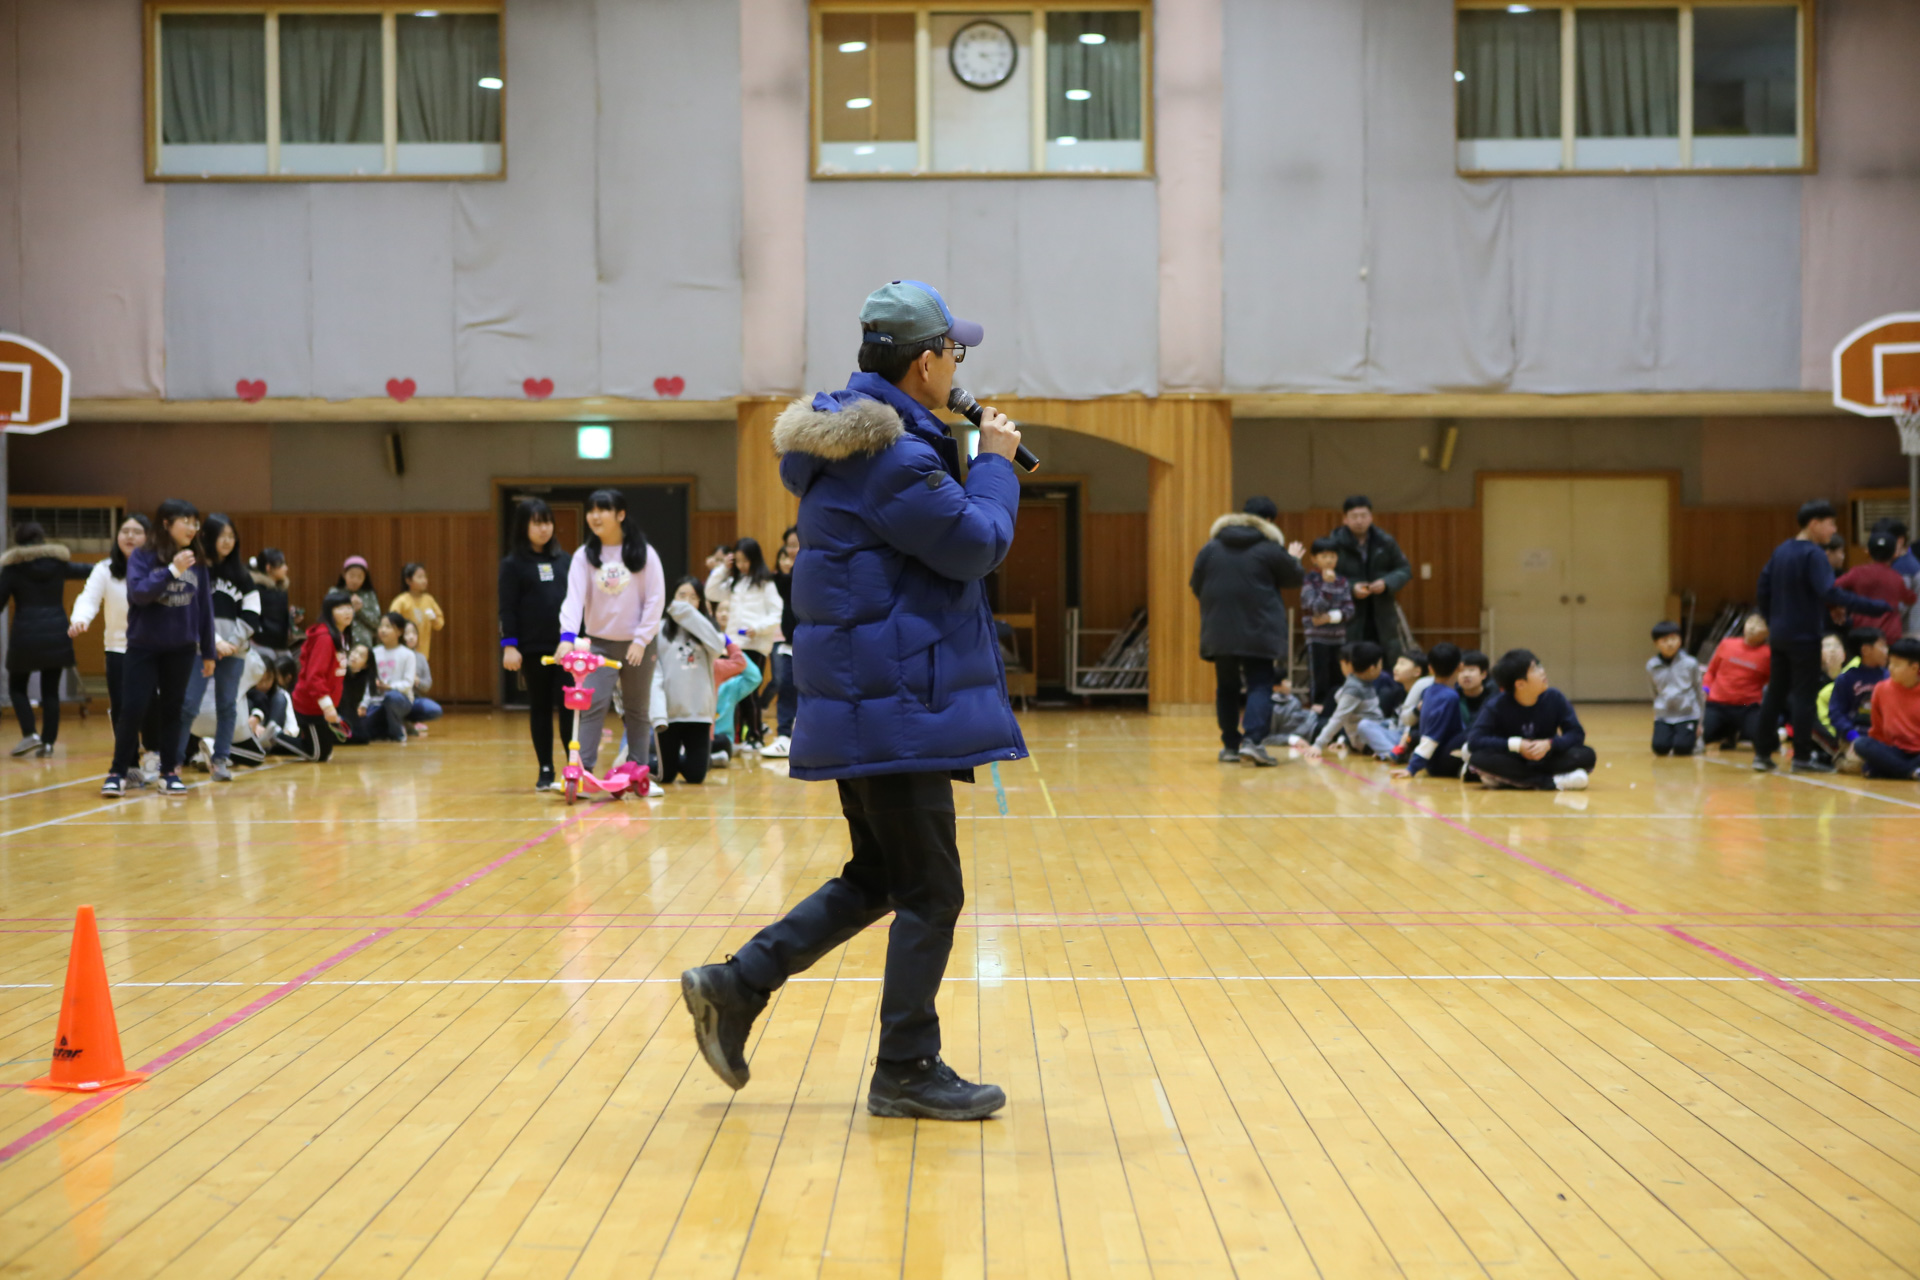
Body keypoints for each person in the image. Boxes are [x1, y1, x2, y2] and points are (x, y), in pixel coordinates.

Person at [680, 278, 1021, 1122]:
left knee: (881, 877)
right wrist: (993, 465)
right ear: (924, 364)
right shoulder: (895, 459)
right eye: (954, 350)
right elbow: (976, 545)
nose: (960, 364)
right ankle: (905, 1067)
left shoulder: (863, 449)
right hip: (896, 706)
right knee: (932, 892)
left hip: (875, 701)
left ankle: (737, 984)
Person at [1753, 500, 1891, 774]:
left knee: (1775, 693)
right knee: (1805, 696)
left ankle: (1762, 754)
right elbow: (1829, 591)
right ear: (1814, 524)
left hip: (1780, 635)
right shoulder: (1814, 554)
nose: (1834, 529)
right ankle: (1802, 758)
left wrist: (1772, 620)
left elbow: (1762, 587)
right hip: (1804, 636)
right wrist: (1874, 606)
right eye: (1830, 524)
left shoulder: (1781, 550)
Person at [102, 500, 217, 797]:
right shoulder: (142, 557)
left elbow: (205, 608)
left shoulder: (198, 562)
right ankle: (117, 772)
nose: (192, 528)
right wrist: (171, 570)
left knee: (172, 710)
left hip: (181, 649)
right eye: (185, 521)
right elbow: (139, 594)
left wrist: (208, 651)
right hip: (143, 647)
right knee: (133, 708)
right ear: (166, 524)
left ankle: (169, 772)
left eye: (195, 522)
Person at [557, 488, 665, 783]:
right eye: (591, 510)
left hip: (638, 645)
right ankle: (583, 771)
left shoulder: (644, 553)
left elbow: (655, 599)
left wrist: (641, 640)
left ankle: (638, 771)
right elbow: (573, 599)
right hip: (599, 645)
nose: (595, 516)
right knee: (591, 705)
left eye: (602, 509)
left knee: (637, 709)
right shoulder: (584, 556)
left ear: (620, 515)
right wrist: (567, 638)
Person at [1190, 495, 1306, 767]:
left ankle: (1230, 746)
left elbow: (1196, 585)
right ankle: (1253, 742)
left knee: (1226, 687)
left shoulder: (1211, 548)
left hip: (1219, 631)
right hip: (1259, 630)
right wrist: (1292, 559)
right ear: (1268, 521)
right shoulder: (1269, 548)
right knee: (1260, 683)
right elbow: (1294, 578)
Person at [70, 513, 165, 782]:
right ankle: (130, 762)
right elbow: (88, 598)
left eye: (137, 531)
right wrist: (80, 619)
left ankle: (154, 754)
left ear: (149, 537)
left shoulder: (160, 568)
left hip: (154, 648)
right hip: (118, 649)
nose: (130, 536)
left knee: (152, 704)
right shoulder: (105, 569)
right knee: (123, 708)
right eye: (125, 531)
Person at [178, 514, 260, 781]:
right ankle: (174, 762)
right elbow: (191, 611)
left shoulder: (243, 576)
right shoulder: (195, 571)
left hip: (234, 651)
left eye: (231, 536)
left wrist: (233, 642)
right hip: (200, 649)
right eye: (222, 536)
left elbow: (252, 613)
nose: (227, 541)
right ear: (208, 537)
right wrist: (213, 642)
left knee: (227, 706)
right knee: (189, 705)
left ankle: (221, 759)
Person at [2, 522, 93, 757]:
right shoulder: (57, 565)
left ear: (18, 541)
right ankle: (48, 743)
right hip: (56, 634)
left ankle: (30, 734)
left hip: (25, 635)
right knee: (50, 691)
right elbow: (90, 570)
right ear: (42, 539)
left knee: (16, 688)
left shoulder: (13, 568)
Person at [499, 498, 571, 789]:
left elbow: (577, 603)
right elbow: (507, 608)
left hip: (567, 647)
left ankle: (574, 767)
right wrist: (510, 645)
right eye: (537, 523)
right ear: (523, 526)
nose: (544, 528)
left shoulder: (566, 561)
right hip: (533, 647)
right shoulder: (512, 565)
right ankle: (545, 769)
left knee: (570, 707)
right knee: (540, 706)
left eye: (548, 522)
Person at [704, 536, 783, 750]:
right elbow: (710, 591)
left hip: (755, 644)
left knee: (750, 692)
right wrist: (723, 568)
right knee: (733, 692)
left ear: (754, 559)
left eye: (745, 561)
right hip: (735, 645)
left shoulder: (766, 583)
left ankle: (755, 737)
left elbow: (776, 612)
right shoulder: (734, 583)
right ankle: (737, 738)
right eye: (737, 561)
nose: (741, 565)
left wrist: (757, 628)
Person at [656, 578, 728, 783]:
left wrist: (688, 614)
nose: (687, 602)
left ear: (701, 602)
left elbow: (718, 647)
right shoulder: (660, 629)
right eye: (682, 596)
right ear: (672, 599)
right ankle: (643, 761)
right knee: (666, 776)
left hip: (699, 714)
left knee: (696, 776)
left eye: (693, 597)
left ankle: (704, 758)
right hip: (670, 714)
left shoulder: (708, 630)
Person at [1329, 496, 1413, 664]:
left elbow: (1404, 569)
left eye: (1363, 515)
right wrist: (1351, 588)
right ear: (1345, 519)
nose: (1359, 520)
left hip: (1382, 613)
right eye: (1354, 516)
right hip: (1348, 615)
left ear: (1371, 517)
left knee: (1385, 661)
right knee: (1351, 661)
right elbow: (1326, 576)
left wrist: (1386, 583)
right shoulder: (1334, 544)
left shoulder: (1385, 541)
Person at [1303, 641, 1400, 759]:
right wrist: (1318, 744)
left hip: (1378, 730)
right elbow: (1338, 718)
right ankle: (1390, 752)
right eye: (1380, 665)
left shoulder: (1364, 682)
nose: (1381, 668)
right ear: (1372, 668)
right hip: (1369, 740)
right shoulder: (1354, 689)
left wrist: (1343, 740)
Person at [291, 590, 355, 762]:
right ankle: (276, 737)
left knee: (324, 753)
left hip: (321, 705)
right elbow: (314, 676)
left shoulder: (340, 636)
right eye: (340, 608)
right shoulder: (325, 638)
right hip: (310, 705)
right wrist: (327, 707)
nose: (347, 612)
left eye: (349, 607)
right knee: (317, 754)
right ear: (329, 612)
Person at [1393, 642, 1468, 780]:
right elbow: (1433, 735)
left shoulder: (1427, 691)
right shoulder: (1449, 696)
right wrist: (1412, 768)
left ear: (1430, 668)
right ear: (1460, 667)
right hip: (1440, 763)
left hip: (1434, 759)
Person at [1819, 627, 1888, 770]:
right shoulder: (1846, 679)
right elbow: (1836, 713)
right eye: (1882, 646)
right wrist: (1853, 737)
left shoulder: (1889, 677)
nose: (1886, 651)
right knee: (1855, 765)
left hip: (1885, 737)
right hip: (1856, 736)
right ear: (1866, 650)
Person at [1299, 536, 1353, 712]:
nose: (1329, 560)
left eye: (1332, 556)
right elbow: (1315, 609)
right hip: (1317, 638)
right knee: (1319, 678)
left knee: (1339, 677)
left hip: (1338, 638)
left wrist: (1330, 618)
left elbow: (1349, 610)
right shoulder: (1309, 580)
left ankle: (1336, 711)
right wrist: (1328, 586)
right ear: (1314, 559)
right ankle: (1319, 712)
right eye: (1324, 556)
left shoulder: (1342, 580)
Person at [762, 526, 802, 759]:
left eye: (796, 544)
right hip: (788, 642)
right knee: (785, 685)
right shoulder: (781, 578)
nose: (792, 550)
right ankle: (784, 737)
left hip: (814, 642)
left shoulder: (817, 569)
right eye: (789, 545)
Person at [1703, 614, 1771, 749]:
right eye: (1751, 625)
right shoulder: (1726, 644)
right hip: (1718, 703)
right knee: (1707, 735)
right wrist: (1705, 689)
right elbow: (1711, 671)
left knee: (1761, 739)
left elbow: (1770, 681)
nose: (1752, 630)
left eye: (1758, 627)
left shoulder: (1768, 654)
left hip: (1747, 705)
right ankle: (1728, 733)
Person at [1856, 638, 1920, 780]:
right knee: (1861, 744)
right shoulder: (1881, 689)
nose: (1890, 668)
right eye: (1890, 663)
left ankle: (1895, 770)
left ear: (1914, 668)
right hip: (1894, 750)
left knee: (1873, 769)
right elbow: (1877, 729)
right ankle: (1911, 772)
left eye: (1897, 665)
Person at [1836, 530, 1917, 643]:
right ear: (1895, 554)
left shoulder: (1856, 573)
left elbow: (1832, 588)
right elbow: (1911, 598)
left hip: (1861, 635)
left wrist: (1836, 606)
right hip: (1889, 636)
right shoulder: (1896, 578)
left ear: (1867, 552)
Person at [1648, 621, 1703, 757]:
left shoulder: (1690, 663)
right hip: (1664, 715)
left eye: (1673, 639)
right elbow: (1654, 692)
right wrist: (1658, 712)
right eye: (1664, 640)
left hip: (1687, 714)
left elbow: (1698, 691)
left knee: (1682, 748)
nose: (1670, 643)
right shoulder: (1652, 665)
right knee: (1660, 748)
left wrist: (1700, 722)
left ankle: (1694, 738)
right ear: (1656, 643)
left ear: (1680, 640)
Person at [365, 613, 418, 742]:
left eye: (388, 627)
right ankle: (386, 729)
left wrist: (390, 687)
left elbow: (408, 683)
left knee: (391, 697)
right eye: (381, 626)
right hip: (377, 700)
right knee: (364, 728)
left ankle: (398, 734)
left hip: (401, 699)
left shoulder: (408, 654)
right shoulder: (374, 652)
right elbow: (368, 681)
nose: (383, 630)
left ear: (399, 631)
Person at [389, 561, 446, 662]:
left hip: (423, 651)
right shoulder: (401, 601)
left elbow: (439, 624)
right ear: (408, 580)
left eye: (425, 577)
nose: (424, 580)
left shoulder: (429, 600)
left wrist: (434, 619)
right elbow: (391, 622)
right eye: (419, 577)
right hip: (404, 650)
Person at [249, 548, 292, 664]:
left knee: (289, 665)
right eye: (281, 564)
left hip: (280, 643)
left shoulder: (281, 589)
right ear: (268, 568)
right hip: (262, 642)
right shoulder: (256, 589)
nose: (286, 568)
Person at [401, 620, 442, 732]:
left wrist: (417, 681)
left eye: (414, 633)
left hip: (414, 699)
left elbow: (427, 684)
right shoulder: (397, 654)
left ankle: (411, 721)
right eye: (407, 633)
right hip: (398, 699)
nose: (411, 637)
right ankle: (398, 721)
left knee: (435, 709)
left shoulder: (421, 658)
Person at [335, 556, 382, 651]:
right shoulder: (335, 593)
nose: (355, 580)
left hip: (364, 645)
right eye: (352, 576)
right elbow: (328, 619)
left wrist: (360, 610)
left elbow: (377, 623)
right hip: (340, 643)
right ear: (344, 574)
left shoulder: (369, 595)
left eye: (360, 576)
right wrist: (349, 609)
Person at [1457, 650, 1493, 725]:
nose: (1466, 675)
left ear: (1483, 674)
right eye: (1461, 670)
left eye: (1471, 670)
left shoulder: (1494, 698)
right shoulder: (1452, 698)